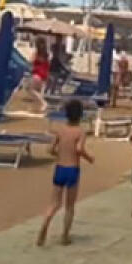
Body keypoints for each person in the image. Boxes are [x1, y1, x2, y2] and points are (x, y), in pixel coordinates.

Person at [37, 99, 94, 246]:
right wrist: (89, 158)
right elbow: (79, 149)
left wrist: (60, 154)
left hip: (60, 167)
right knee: (70, 206)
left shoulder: (60, 130)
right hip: (72, 169)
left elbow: (50, 150)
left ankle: (44, 226)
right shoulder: (80, 132)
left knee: (54, 203)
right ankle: (65, 235)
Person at [30, 39, 51, 113]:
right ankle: (40, 107)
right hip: (44, 74)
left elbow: (31, 61)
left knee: (32, 90)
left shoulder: (36, 53)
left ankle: (43, 103)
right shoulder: (47, 54)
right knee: (40, 92)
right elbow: (48, 64)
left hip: (37, 73)